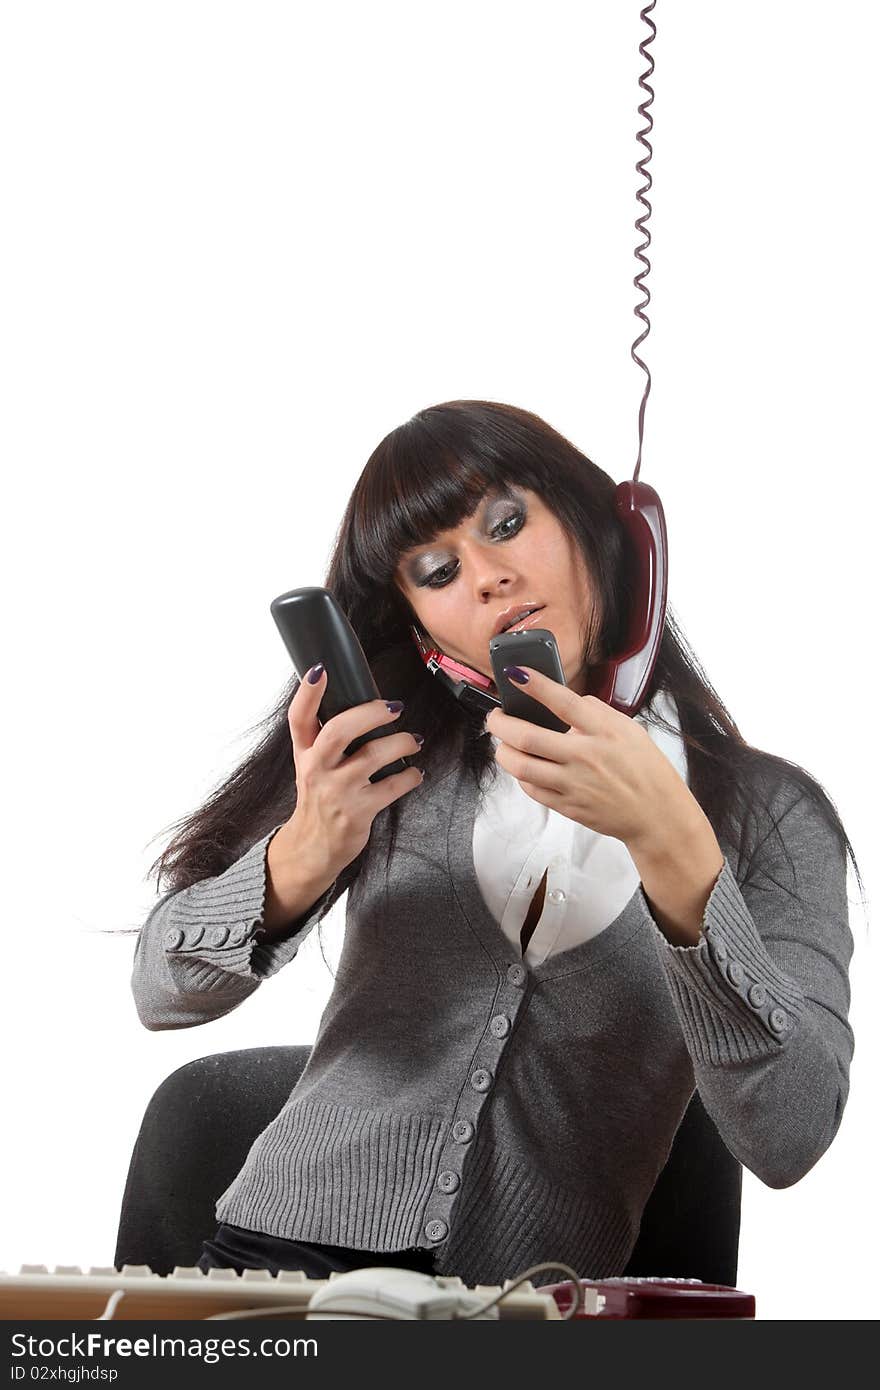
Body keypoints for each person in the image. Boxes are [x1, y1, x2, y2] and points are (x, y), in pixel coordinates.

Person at [131, 399, 861, 1287]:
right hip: (271, 1274)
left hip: (514, 1315)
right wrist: (303, 852)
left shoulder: (770, 817)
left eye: (507, 523)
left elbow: (790, 1134)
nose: (486, 577)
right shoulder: (390, 759)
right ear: (424, 630)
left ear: (605, 531)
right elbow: (161, 989)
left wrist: (674, 849)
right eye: (438, 571)